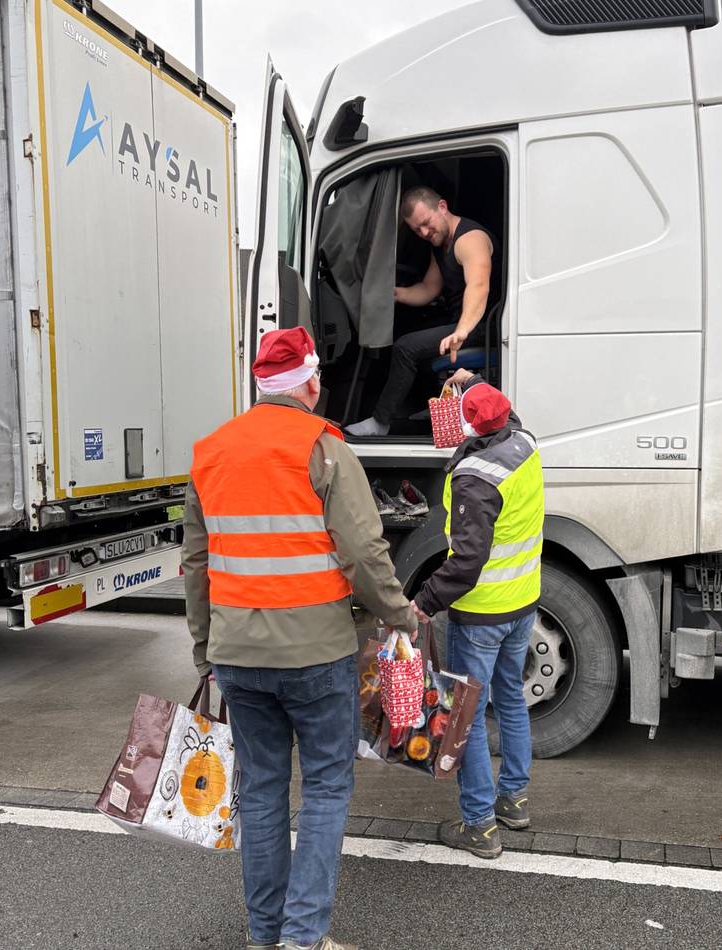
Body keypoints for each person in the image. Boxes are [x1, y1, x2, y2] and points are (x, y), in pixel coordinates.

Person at [182, 326, 416, 950]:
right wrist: (401, 616)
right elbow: (365, 552)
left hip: (237, 657)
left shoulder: (210, 452)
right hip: (317, 656)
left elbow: (197, 566)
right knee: (327, 787)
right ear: (309, 382)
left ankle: (264, 935)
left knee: (261, 792)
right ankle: (302, 938)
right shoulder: (325, 448)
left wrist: (205, 649)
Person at [411, 369, 544, 859]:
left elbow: (466, 563)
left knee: (464, 716)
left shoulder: (475, 478)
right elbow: (498, 411)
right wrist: (475, 382)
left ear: (469, 426)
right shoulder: (524, 441)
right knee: (509, 699)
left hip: (482, 613)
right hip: (523, 603)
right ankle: (515, 802)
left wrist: (422, 603)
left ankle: (481, 825)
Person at [345, 186, 495, 437]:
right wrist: (393, 294)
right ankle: (431, 408)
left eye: (427, 223)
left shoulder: (470, 239)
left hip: (482, 326)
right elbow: (429, 288)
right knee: (408, 332)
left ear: (443, 207)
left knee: (407, 347)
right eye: (417, 229)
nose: (424, 232)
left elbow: (479, 286)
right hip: (463, 323)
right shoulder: (439, 244)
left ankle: (380, 423)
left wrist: (462, 330)